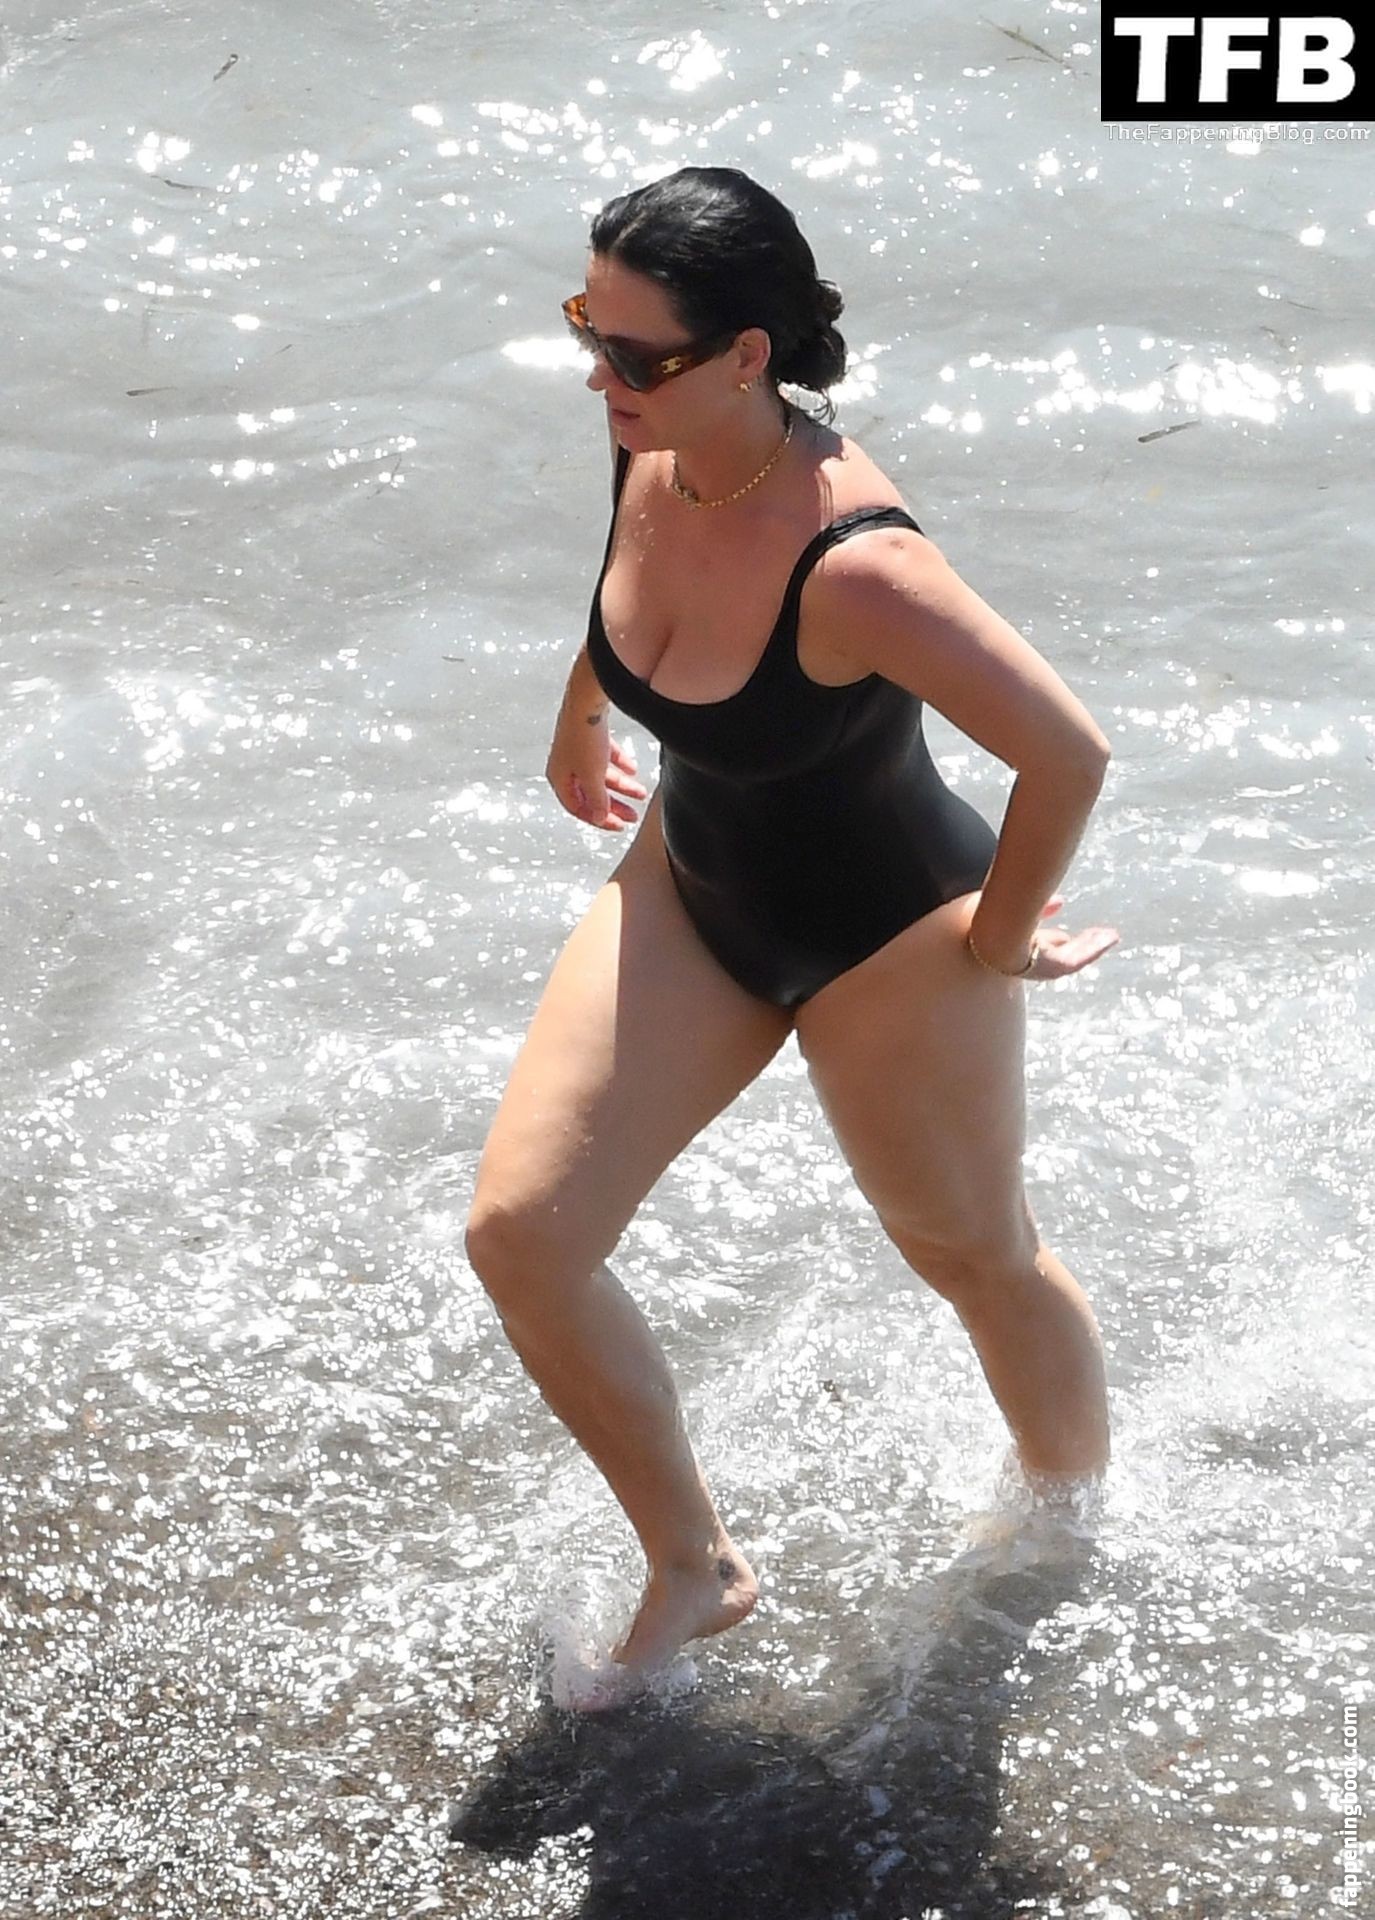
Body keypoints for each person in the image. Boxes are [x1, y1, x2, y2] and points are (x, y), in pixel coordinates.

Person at [465, 166, 1120, 1708]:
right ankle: (696, 1565)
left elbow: (1068, 752)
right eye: (587, 330)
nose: (600, 375)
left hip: (887, 941)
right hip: (693, 886)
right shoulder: (655, 436)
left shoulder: (863, 565)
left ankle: (1068, 1534)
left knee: (972, 1256)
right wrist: (580, 712)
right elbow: (626, 585)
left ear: (747, 354)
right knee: (523, 1237)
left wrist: (1004, 940)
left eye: (634, 351)